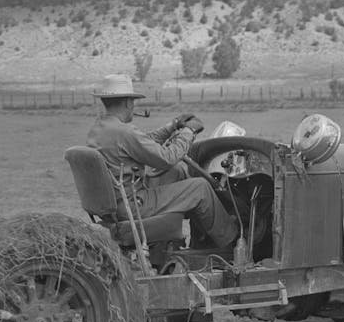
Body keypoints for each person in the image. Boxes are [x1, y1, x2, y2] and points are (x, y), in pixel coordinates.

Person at [86, 73, 238, 251]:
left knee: (176, 172)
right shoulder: (124, 132)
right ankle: (232, 243)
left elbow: (144, 141)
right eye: (132, 103)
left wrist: (172, 126)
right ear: (128, 102)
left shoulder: (99, 129)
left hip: (116, 204)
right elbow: (167, 158)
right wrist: (188, 132)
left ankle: (176, 244)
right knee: (200, 187)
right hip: (132, 205)